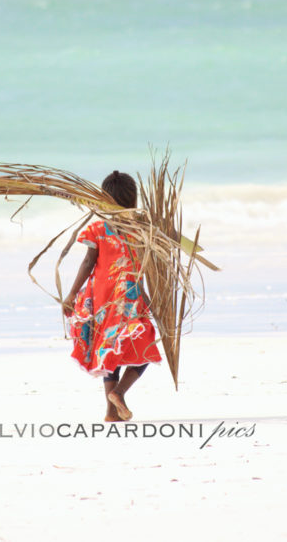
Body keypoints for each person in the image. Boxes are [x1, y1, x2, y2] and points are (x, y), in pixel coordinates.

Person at [61, 171, 162, 421]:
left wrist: (72, 293)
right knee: (146, 345)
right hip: (127, 296)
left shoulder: (97, 228)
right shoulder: (142, 229)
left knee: (109, 349)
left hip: (101, 298)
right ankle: (118, 393)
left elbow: (87, 262)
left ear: (104, 199)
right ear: (134, 199)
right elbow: (149, 266)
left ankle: (111, 412)